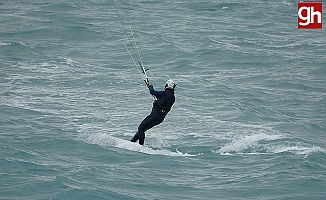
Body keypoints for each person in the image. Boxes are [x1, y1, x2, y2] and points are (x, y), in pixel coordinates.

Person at [131, 79, 177, 145]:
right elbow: (163, 101)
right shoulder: (173, 97)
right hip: (160, 118)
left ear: (167, 85)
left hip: (155, 116)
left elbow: (152, 92)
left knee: (140, 128)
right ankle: (132, 142)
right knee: (142, 130)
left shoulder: (164, 94)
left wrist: (150, 86)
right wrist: (157, 96)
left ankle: (140, 146)